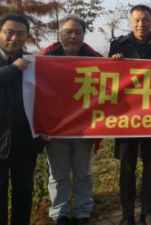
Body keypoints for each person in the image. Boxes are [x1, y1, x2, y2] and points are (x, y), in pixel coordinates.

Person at [110, 5, 151, 225]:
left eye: (145, 19)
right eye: (136, 20)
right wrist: (113, 61)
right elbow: (109, 79)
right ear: (130, 21)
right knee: (127, 167)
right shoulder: (118, 45)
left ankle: (147, 211)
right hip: (126, 116)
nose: (140, 24)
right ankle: (127, 214)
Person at [41, 16, 101, 225]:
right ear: (60, 34)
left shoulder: (96, 58)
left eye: (78, 32)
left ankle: (83, 212)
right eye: (68, 31)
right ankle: (60, 214)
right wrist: (40, 126)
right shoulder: (45, 58)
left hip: (84, 129)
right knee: (58, 176)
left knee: (83, 174)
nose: (73, 36)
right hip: (55, 130)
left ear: (84, 35)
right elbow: (34, 96)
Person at [0, 13, 43, 225]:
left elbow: (46, 99)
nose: (14, 38)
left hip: (25, 142)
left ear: (27, 37)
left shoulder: (32, 63)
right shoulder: (20, 64)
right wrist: (13, 69)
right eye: (9, 33)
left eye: (20, 34)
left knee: (24, 193)